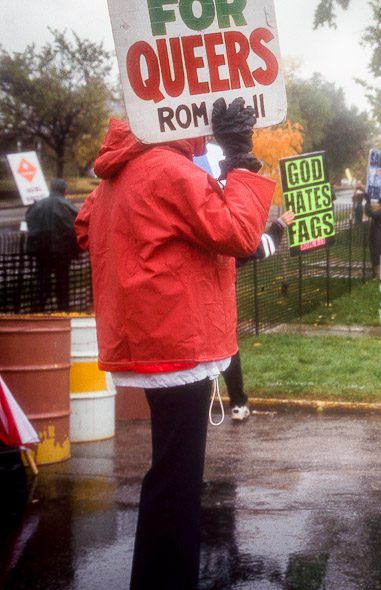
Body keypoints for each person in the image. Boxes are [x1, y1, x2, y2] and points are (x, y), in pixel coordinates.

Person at [75, 97, 274, 589]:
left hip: (147, 337)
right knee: (177, 481)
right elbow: (239, 231)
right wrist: (240, 159)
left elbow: (86, 229)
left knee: (171, 473)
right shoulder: (168, 168)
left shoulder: (117, 174)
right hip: (177, 340)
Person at [225, 210, 294, 422]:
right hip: (220, 307)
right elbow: (259, 247)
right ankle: (237, 403)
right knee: (228, 352)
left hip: (186, 307)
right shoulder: (223, 236)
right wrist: (279, 225)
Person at [24, 178, 79, 312]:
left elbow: (29, 223)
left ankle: (39, 311)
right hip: (61, 251)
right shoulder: (68, 206)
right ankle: (63, 311)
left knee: (42, 283)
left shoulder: (37, 205)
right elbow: (75, 228)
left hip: (41, 251)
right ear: (64, 190)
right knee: (62, 282)